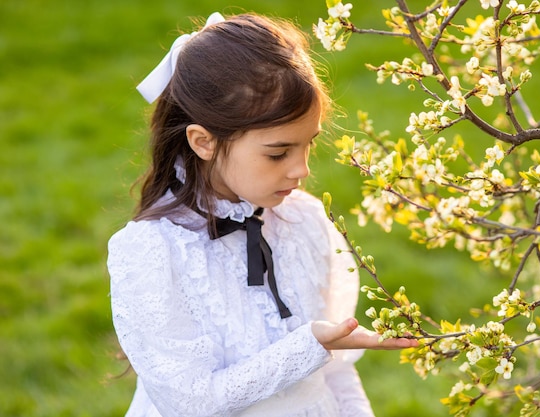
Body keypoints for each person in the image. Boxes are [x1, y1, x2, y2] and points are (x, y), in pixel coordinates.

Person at [108, 11, 417, 417]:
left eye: (309, 144)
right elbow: (189, 402)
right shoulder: (152, 251)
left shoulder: (303, 221)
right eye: (278, 152)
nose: (302, 169)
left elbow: (338, 370)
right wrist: (308, 345)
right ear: (204, 141)